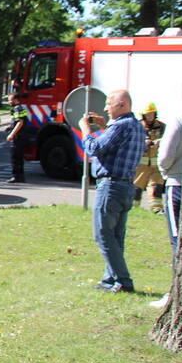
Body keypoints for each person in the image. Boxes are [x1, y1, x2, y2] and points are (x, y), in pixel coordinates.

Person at [79, 89, 145, 294]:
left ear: (122, 105)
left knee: (103, 235)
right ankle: (110, 280)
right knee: (116, 236)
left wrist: (85, 129)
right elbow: (117, 146)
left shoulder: (120, 126)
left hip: (111, 186)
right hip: (126, 186)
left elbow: (94, 148)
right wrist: (104, 126)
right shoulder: (136, 126)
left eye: (109, 103)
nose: (105, 108)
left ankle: (123, 281)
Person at [156, 91, 182, 309]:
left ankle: (177, 295)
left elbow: (165, 155)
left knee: (178, 241)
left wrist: (166, 173)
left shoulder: (178, 117)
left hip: (178, 184)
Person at [133, 102, 166, 213]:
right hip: (141, 165)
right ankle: (133, 208)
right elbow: (131, 142)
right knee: (136, 186)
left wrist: (160, 141)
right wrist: (143, 142)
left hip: (156, 164)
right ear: (143, 115)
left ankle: (157, 209)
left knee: (157, 187)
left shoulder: (162, 127)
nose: (150, 116)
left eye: (152, 114)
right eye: (148, 114)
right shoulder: (137, 126)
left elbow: (168, 139)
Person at [6, 92, 29, 183]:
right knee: (19, 158)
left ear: (15, 100)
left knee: (15, 158)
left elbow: (20, 122)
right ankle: (20, 176)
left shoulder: (16, 109)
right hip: (21, 137)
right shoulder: (20, 108)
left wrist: (12, 134)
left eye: (10, 100)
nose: (9, 102)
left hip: (18, 137)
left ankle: (16, 176)